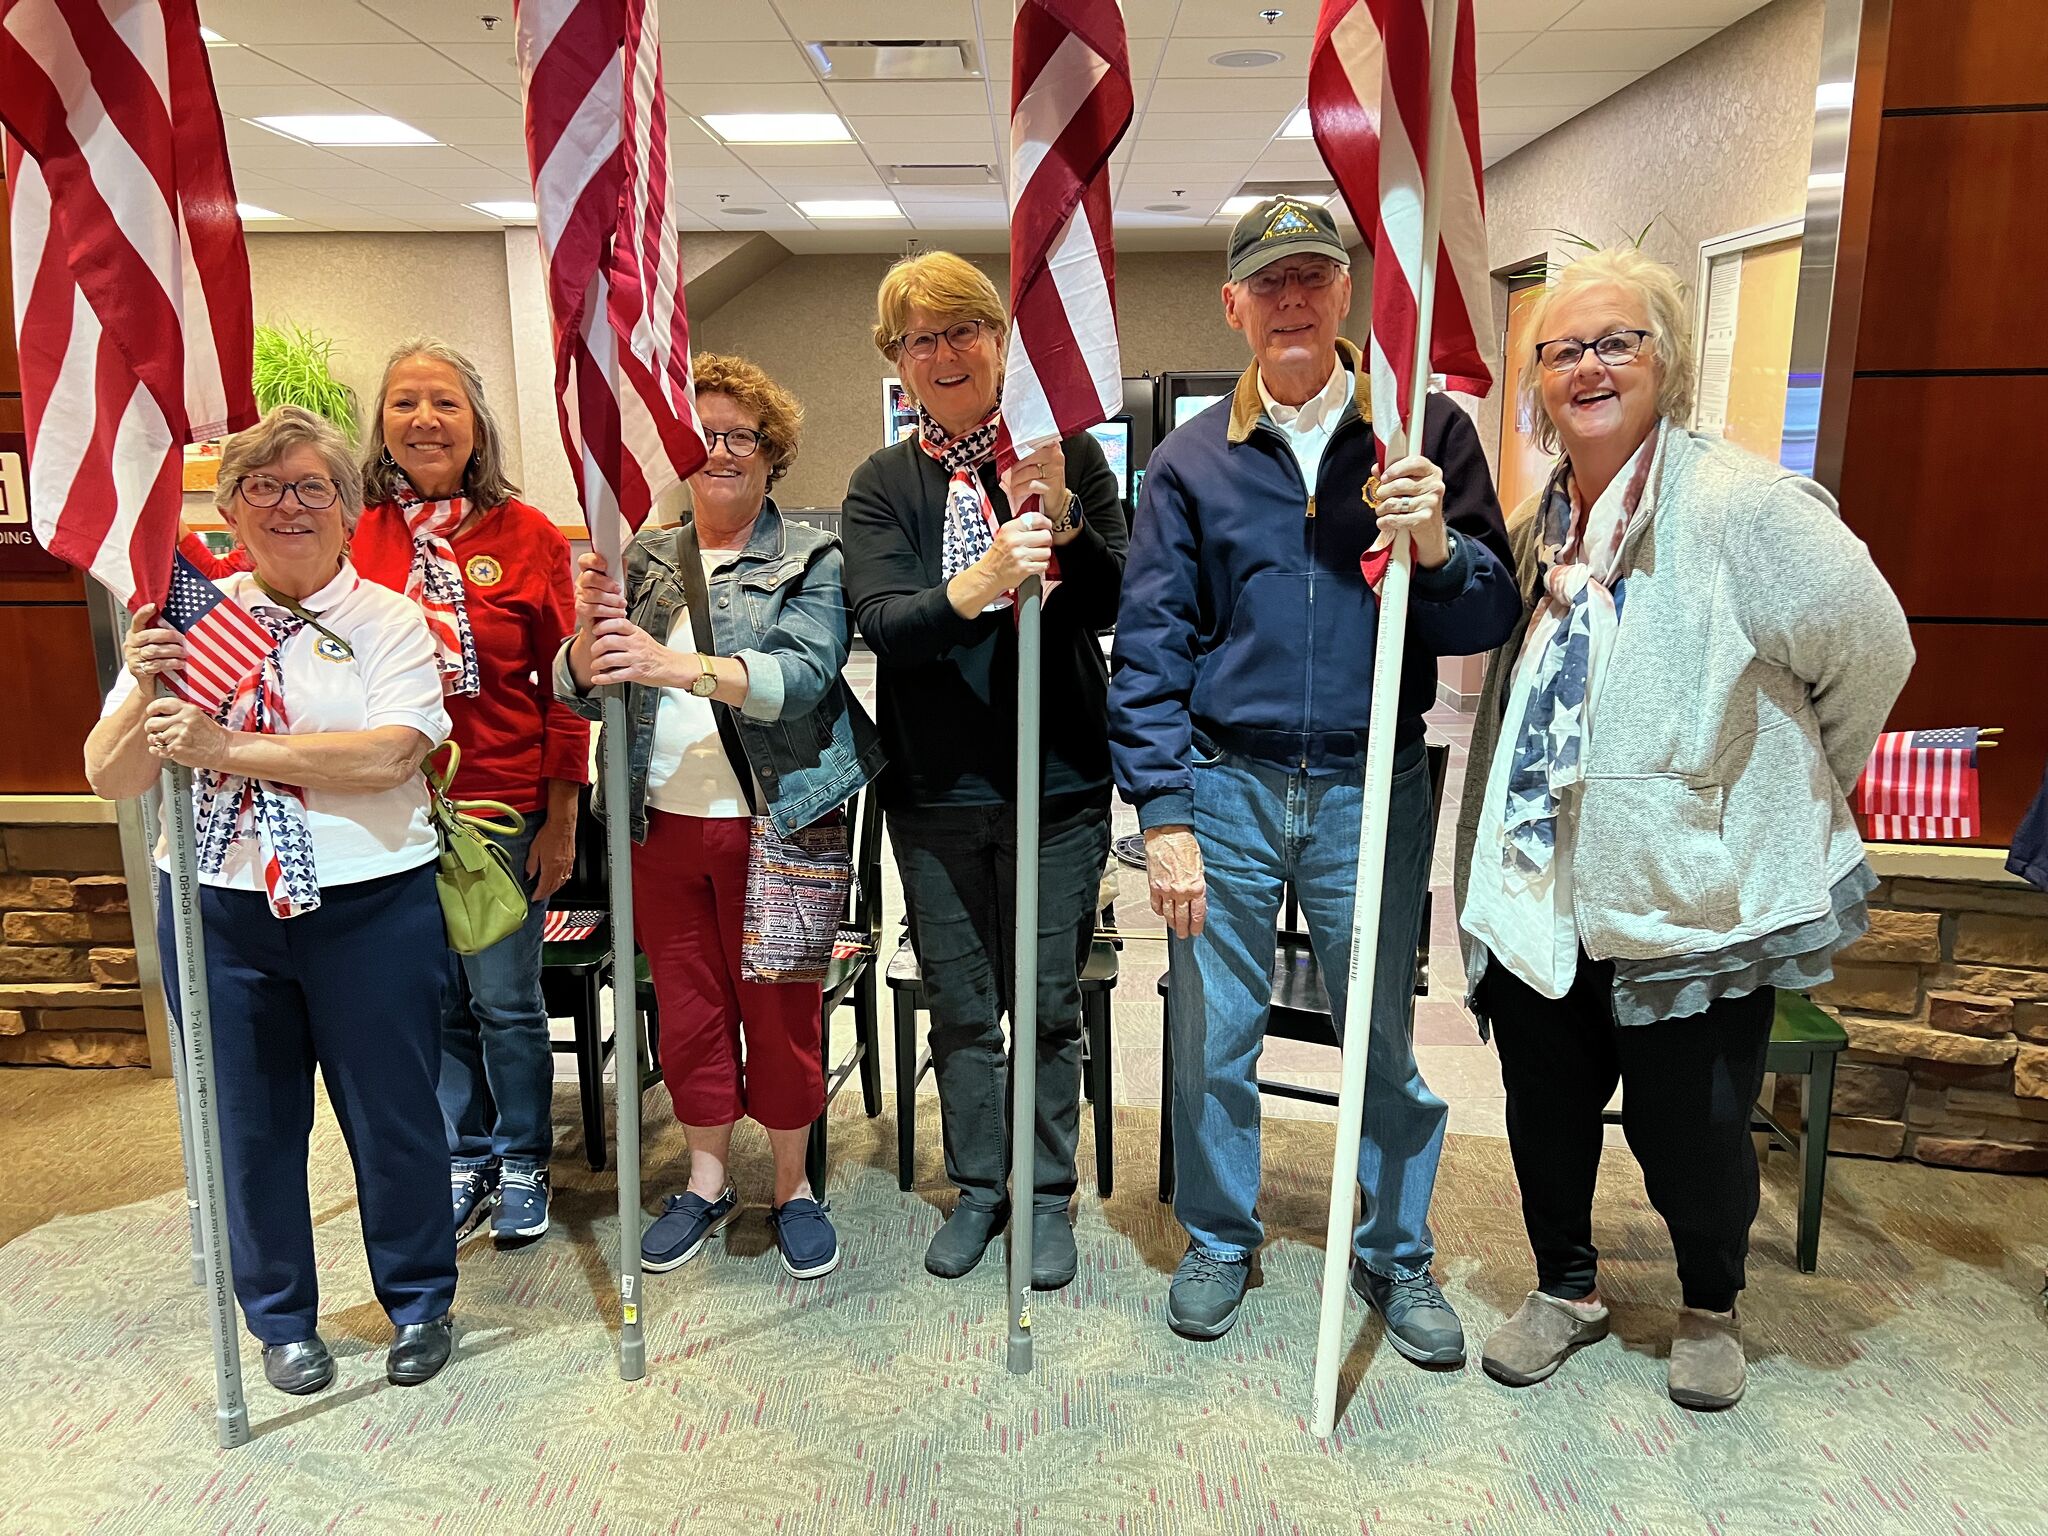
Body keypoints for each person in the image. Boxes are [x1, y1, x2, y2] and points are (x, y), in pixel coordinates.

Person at [1453, 247, 1912, 1410]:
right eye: (1561, 350)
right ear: (1538, 385)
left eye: (1619, 342)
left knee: (1693, 1126)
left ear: (1668, 362)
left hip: (1686, 888)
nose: (1589, 366)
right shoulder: (1536, 522)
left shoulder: (1743, 508)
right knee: (1540, 1107)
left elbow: (1870, 649)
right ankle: (1564, 1285)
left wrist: (1785, 789)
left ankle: (1710, 1303)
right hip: (1540, 878)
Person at [1109, 197, 1519, 1354]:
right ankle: (1221, 1235)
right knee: (1210, 1030)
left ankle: (1395, 1254)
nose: (1290, 299)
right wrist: (1163, 812)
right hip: (1225, 784)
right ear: (1233, 305)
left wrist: (1434, 543)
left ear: (1345, 293)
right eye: (1266, 282)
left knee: (1381, 1034)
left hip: (1368, 781)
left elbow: (1486, 609)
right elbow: (1149, 647)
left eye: (1311, 276)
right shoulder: (1191, 459)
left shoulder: (1416, 433)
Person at [85, 406, 459, 1394]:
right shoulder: (190, 621)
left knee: (394, 1116)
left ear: (345, 509)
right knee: (247, 1126)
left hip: (368, 907)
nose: (289, 507)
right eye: (264, 487)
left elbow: (391, 752)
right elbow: (111, 776)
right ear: (230, 507)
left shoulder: (388, 620)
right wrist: (142, 683)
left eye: (312, 489)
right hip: (218, 908)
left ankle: (419, 1299)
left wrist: (225, 749)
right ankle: (281, 1317)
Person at [555, 354, 882, 1282]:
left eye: (742, 436)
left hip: (783, 822)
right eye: (701, 437)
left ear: (772, 453)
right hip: (658, 827)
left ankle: (792, 1187)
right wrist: (587, 645)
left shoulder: (811, 560)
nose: (721, 452)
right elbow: (576, 691)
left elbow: (804, 678)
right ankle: (704, 1179)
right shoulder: (640, 559)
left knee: (778, 1011)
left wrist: (676, 665)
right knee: (690, 1011)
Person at [842, 252, 1128, 1290]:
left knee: (1048, 1002)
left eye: (962, 329)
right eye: (920, 339)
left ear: (1000, 342)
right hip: (935, 794)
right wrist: (977, 584)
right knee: (962, 1007)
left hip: (1055, 786)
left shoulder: (1065, 458)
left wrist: (1064, 519)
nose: (944, 352)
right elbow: (884, 624)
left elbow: (1110, 603)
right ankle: (980, 1189)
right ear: (898, 362)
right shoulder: (883, 484)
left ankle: (1045, 1196)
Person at [352, 339, 590, 1248]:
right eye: (405, 402)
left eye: (444, 403)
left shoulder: (525, 537)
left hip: (497, 808)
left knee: (503, 997)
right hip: (385, 808)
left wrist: (562, 816)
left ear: (477, 424)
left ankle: (526, 1156)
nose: (424, 420)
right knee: (435, 998)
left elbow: (568, 690)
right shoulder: (351, 532)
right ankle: (468, 1152)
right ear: (381, 423)